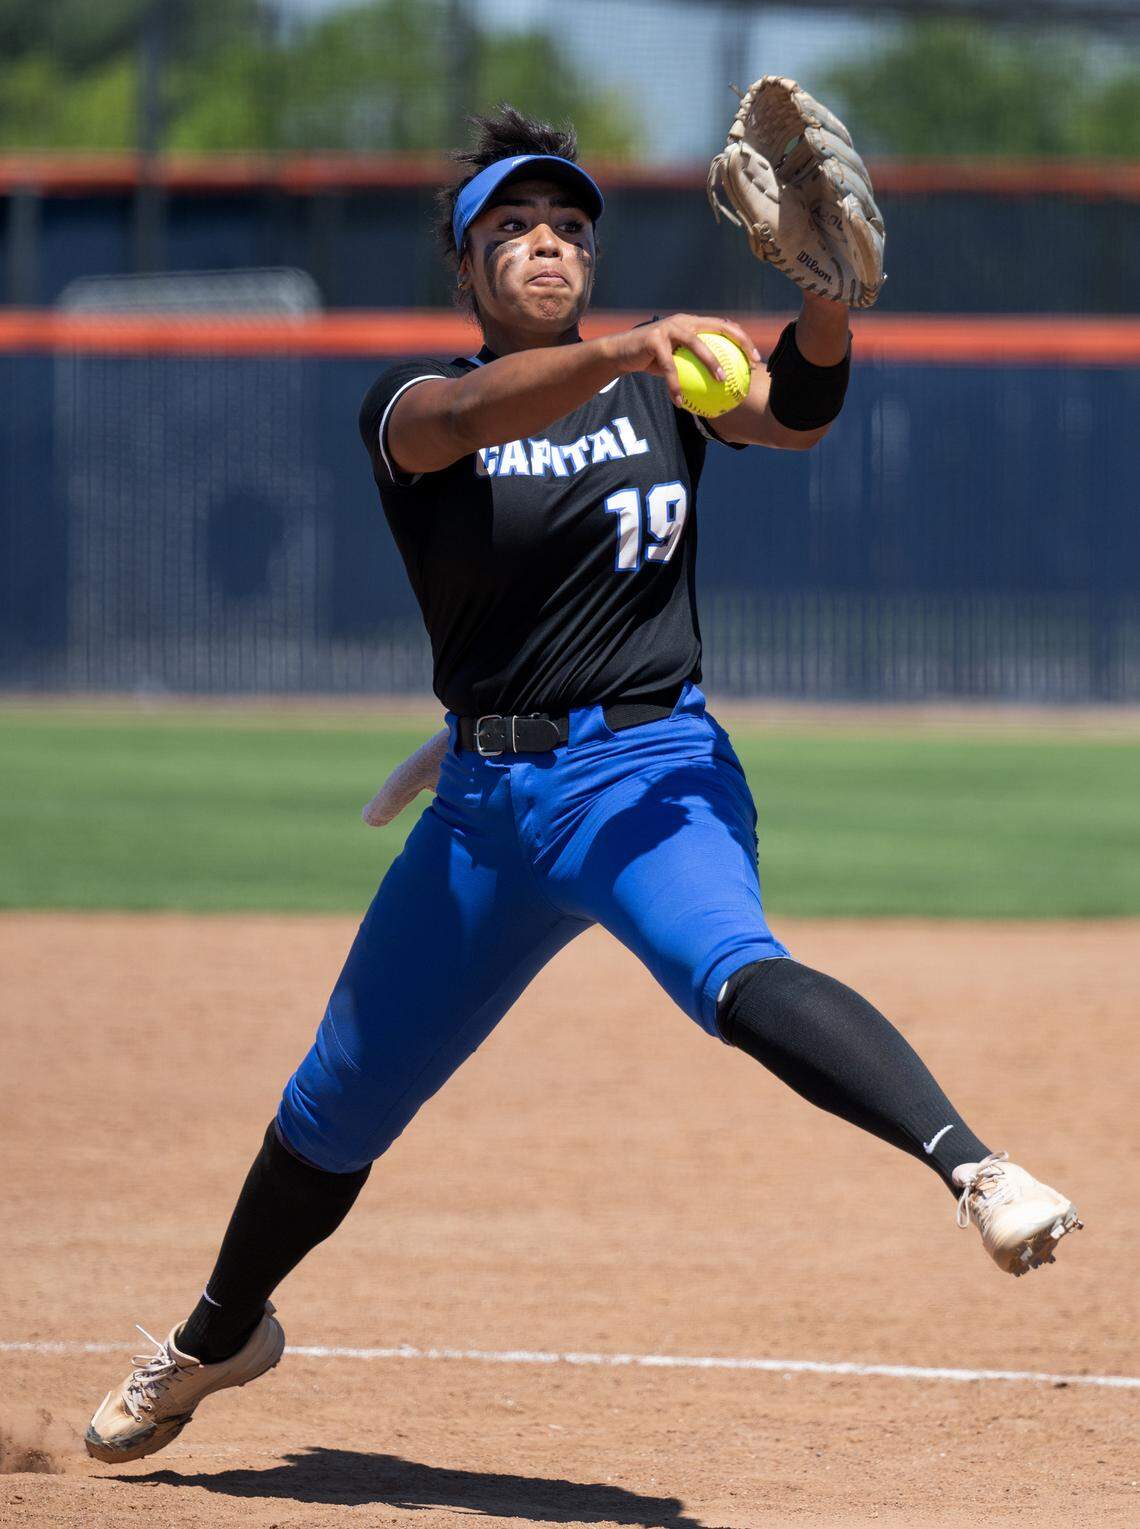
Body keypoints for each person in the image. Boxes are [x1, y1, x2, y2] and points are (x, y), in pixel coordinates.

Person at [85, 105, 1080, 1466]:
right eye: (515, 229)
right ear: (465, 267)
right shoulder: (408, 402)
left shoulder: (666, 378)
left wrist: (826, 310)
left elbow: (792, 416)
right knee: (336, 1103)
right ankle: (215, 1333)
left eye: (567, 229)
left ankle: (974, 1165)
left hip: (648, 768)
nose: (548, 246)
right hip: (488, 813)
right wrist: (632, 349)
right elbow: (470, 416)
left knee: (726, 962)